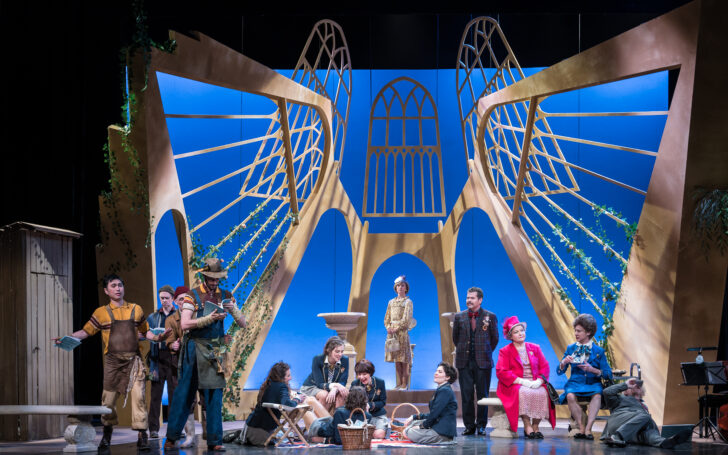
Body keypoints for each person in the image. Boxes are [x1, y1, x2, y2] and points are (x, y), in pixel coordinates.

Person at [54, 273, 167, 450]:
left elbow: (146, 332)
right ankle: (107, 434)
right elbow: (86, 332)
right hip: (113, 363)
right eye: (113, 286)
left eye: (120, 285)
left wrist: (158, 337)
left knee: (139, 399)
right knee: (108, 401)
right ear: (106, 291)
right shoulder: (101, 313)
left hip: (134, 361)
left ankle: (142, 435)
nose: (118, 289)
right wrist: (67, 337)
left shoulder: (136, 309)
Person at [164, 258, 247, 452]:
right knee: (184, 394)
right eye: (211, 278)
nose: (215, 282)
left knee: (214, 395)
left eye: (217, 279)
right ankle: (172, 437)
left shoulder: (225, 295)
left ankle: (215, 440)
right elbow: (185, 324)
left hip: (214, 350)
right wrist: (209, 318)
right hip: (194, 348)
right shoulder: (192, 296)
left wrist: (233, 310)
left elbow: (243, 323)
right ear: (204, 277)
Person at [496, 316, 555, 439]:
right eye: (516, 332)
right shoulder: (505, 351)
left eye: (522, 330)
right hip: (514, 384)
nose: (520, 333)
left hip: (534, 381)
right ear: (510, 336)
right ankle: (527, 425)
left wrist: (539, 380)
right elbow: (501, 371)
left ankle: (535, 426)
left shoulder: (535, 347)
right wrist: (521, 381)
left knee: (542, 392)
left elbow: (545, 366)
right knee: (524, 392)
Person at [557, 313, 612, 440]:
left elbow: (608, 374)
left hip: (593, 383)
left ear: (588, 332)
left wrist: (593, 370)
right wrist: (563, 362)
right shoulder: (571, 348)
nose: (576, 333)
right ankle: (581, 427)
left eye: (579, 331)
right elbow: (559, 371)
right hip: (575, 383)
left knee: (597, 395)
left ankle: (588, 428)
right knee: (570, 395)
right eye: (575, 330)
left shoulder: (598, 351)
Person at [452, 286, 499, 435]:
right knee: (466, 395)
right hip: (464, 361)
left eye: (472, 298)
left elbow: (494, 339)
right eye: (467, 297)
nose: (468, 300)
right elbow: (455, 339)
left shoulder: (490, 316)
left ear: (480, 300)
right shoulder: (459, 317)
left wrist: (483, 351)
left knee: (482, 395)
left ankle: (481, 425)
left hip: (483, 362)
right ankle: (469, 426)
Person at [601, 378, 692, 449]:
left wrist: (654, 430)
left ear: (641, 391)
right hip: (618, 423)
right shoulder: (619, 399)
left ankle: (665, 442)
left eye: (637, 386)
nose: (634, 386)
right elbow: (607, 392)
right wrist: (626, 384)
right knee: (645, 416)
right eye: (632, 386)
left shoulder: (644, 405)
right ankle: (617, 436)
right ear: (625, 391)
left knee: (649, 433)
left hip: (632, 433)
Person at [239, 361, 309, 446]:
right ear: (281, 377)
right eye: (288, 376)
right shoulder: (281, 386)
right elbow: (288, 405)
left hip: (251, 427)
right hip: (258, 432)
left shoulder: (269, 383)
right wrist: (297, 399)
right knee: (272, 443)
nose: (291, 378)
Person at [165, 286, 197, 448]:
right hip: (181, 363)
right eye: (181, 299)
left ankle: (210, 436)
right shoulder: (171, 319)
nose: (184, 302)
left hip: (199, 360)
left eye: (187, 299)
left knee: (205, 398)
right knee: (185, 399)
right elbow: (169, 341)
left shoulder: (197, 314)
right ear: (176, 302)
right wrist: (173, 345)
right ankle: (189, 436)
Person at [146, 284, 179, 439]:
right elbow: (144, 333)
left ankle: (174, 427)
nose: (164, 300)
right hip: (157, 358)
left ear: (172, 298)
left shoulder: (178, 315)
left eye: (166, 298)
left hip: (173, 358)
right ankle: (153, 428)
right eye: (162, 298)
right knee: (155, 395)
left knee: (174, 395)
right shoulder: (153, 317)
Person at [402, 362, 458, 444]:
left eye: (440, 372)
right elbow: (434, 414)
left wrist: (421, 426)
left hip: (442, 432)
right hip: (437, 426)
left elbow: (434, 414)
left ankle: (442, 439)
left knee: (409, 432)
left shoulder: (445, 391)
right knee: (413, 423)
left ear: (447, 377)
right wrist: (414, 417)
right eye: (436, 371)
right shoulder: (442, 389)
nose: (436, 373)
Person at [301, 336, 350, 411]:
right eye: (337, 351)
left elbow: (343, 381)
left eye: (342, 351)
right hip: (312, 386)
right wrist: (335, 385)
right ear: (329, 350)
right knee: (324, 395)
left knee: (343, 394)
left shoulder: (345, 360)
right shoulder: (317, 359)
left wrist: (335, 389)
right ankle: (322, 418)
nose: (340, 354)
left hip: (332, 388)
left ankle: (338, 417)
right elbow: (319, 383)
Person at [384, 275, 415, 389]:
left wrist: (397, 328)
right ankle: (398, 383)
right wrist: (388, 327)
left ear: (406, 288)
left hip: (402, 333)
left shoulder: (408, 302)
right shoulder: (391, 302)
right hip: (392, 334)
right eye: (398, 286)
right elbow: (387, 317)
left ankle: (404, 384)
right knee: (396, 360)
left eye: (402, 285)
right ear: (395, 288)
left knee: (404, 359)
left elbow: (406, 319)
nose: (400, 287)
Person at [350, 359, 388, 439]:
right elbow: (351, 403)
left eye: (364, 374)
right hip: (360, 416)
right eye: (359, 374)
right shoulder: (355, 384)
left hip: (377, 416)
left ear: (370, 373)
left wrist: (369, 405)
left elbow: (383, 401)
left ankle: (370, 433)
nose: (361, 377)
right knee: (357, 434)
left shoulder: (380, 382)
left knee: (379, 435)